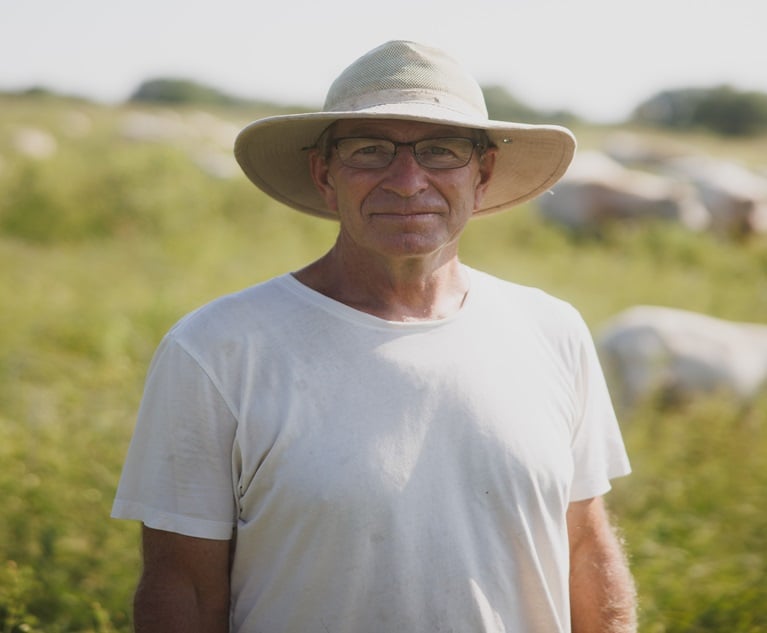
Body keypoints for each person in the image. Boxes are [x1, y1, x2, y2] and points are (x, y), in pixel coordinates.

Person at [112, 40, 637, 633]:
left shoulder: (552, 330)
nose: (408, 180)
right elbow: (182, 588)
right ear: (324, 173)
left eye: (442, 151)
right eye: (370, 151)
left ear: (482, 174)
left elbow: (585, 547)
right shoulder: (217, 349)